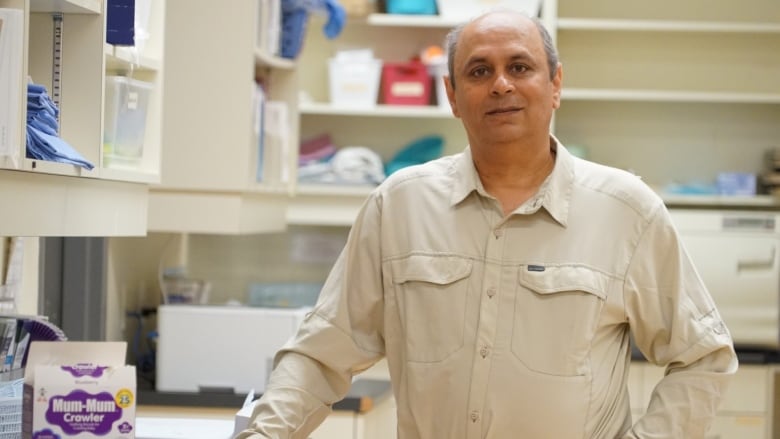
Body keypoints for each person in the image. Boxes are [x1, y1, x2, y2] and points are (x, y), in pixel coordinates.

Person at [236, 9, 738, 439]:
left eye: (520, 66)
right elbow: (323, 353)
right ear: (453, 96)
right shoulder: (399, 206)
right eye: (479, 71)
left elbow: (702, 357)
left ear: (555, 84)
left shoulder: (626, 210)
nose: (501, 84)